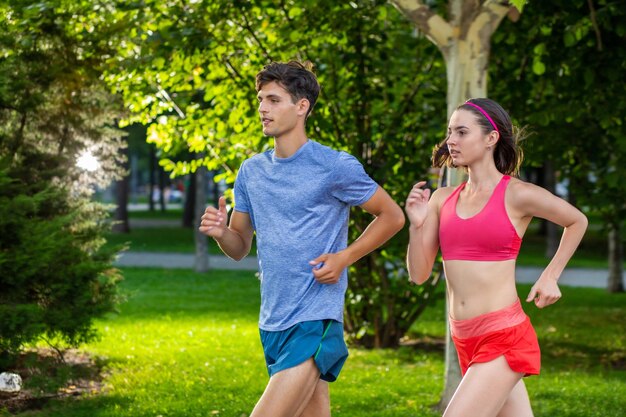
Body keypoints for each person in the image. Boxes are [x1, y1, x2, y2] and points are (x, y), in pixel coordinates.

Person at [199, 61, 405, 417]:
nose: (263, 108)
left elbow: (392, 216)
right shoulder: (251, 172)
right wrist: (221, 233)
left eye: (274, 99)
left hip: (315, 319)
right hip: (273, 320)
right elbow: (239, 248)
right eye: (261, 99)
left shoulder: (334, 166)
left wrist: (345, 257)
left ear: (302, 106)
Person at [405, 98, 588, 417]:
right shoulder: (442, 199)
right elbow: (419, 274)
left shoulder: (517, 194)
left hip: (502, 335)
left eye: (462, 132)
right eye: (450, 132)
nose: (451, 140)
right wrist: (416, 226)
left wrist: (550, 274)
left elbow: (577, 220)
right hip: (463, 336)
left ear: (491, 138)